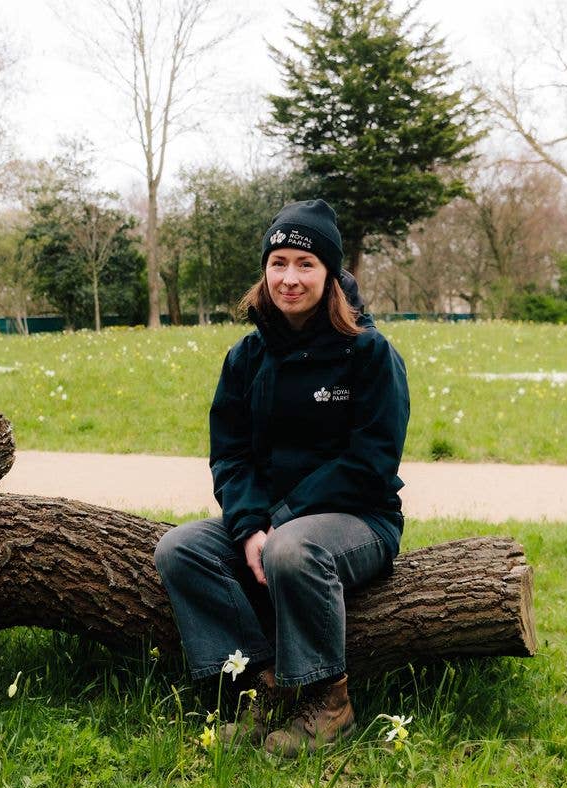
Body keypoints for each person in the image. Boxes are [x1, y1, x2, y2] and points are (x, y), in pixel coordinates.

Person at [154, 199, 410, 757]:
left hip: (359, 518)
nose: (289, 278)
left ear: (330, 274)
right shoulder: (247, 357)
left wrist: (282, 522)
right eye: (278, 263)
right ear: (264, 270)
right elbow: (231, 457)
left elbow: (372, 461)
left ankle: (328, 701)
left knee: (290, 550)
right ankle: (263, 684)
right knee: (180, 548)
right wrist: (248, 529)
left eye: (305, 263)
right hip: (269, 524)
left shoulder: (368, 354)